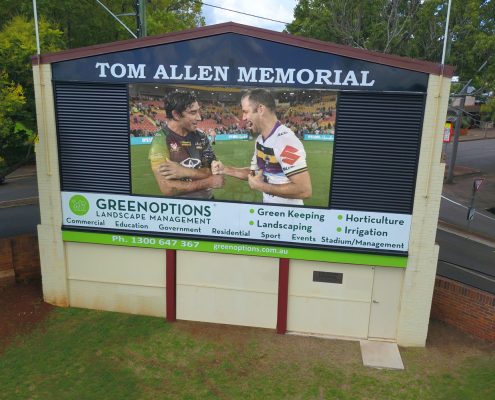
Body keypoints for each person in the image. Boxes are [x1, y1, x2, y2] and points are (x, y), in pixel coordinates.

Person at [212, 89, 311, 205]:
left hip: (287, 217)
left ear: (260, 109)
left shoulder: (285, 140)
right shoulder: (260, 140)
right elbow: (255, 173)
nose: (243, 118)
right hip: (267, 213)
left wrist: (262, 186)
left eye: (246, 112)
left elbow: (304, 190)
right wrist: (225, 169)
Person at [149, 91, 223, 199]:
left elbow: (213, 171)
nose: (199, 118)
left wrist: (184, 172)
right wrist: (208, 182)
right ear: (176, 115)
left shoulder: (201, 135)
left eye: (198, 111)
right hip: (182, 209)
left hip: (208, 202)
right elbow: (168, 188)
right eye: (193, 112)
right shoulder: (160, 140)